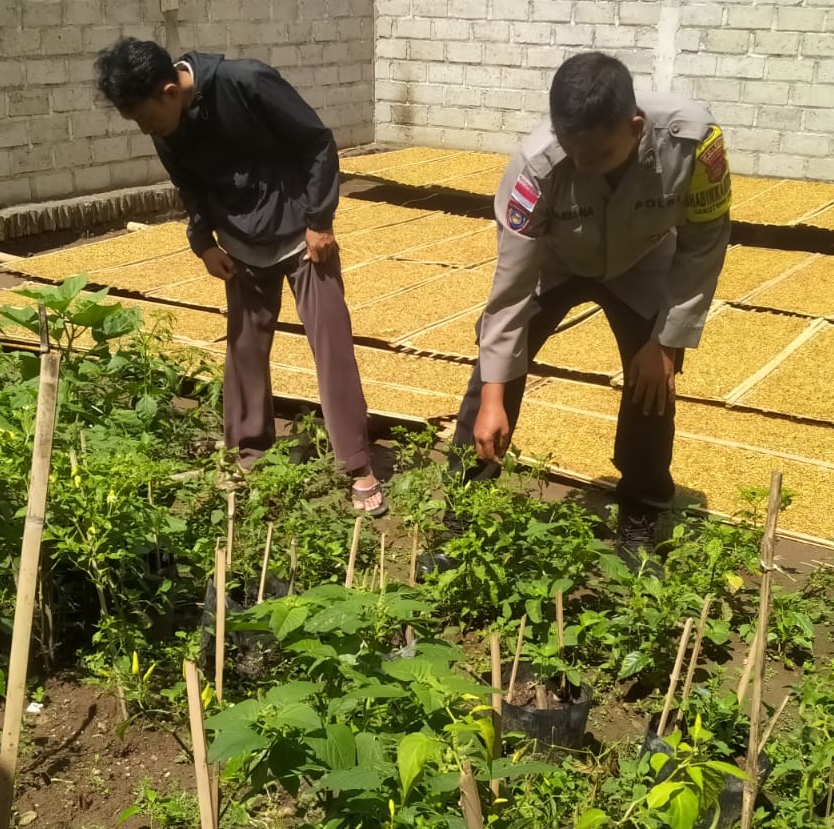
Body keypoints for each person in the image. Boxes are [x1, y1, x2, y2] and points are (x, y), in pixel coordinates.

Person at [450, 52, 731, 560]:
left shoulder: (694, 144)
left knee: (653, 384)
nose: (580, 166)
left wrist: (665, 342)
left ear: (636, 126)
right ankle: (462, 510)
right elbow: (511, 288)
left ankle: (641, 514)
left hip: (643, 265)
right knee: (494, 374)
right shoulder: (535, 166)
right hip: (555, 262)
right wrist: (495, 391)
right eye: (571, 153)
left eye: (597, 156)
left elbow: (704, 244)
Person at [93, 38, 387, 515]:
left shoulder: (246, 81)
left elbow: (316, 141)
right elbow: (188, 186)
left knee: (332, 345)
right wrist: (204, 243)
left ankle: (357, 464)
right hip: (241, 243)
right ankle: (247, 455)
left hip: (301, 236)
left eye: (146, 118)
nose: (146, 130)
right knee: (244, 352)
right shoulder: (166, 129)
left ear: (170, 90)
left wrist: (320, 221)